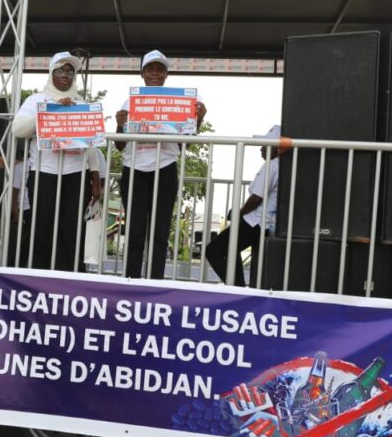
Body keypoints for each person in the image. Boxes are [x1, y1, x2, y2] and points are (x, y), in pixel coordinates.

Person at [115, 50, 207, 279]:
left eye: (160, 69)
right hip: (134, 169)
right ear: (142, 74)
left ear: (166, 74)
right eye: (150, 69)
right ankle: (130, 280)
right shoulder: (130, 100)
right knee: (134, 230)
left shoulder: (178, 102)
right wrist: (119, 125)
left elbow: (185, 141)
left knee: (160, 231)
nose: (155, 73)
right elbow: (118, 146)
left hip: (164, 168)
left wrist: (198, 119)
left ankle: (154, 281)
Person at [12, 51, 102, 271]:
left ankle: (71, 278)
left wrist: (95, 176)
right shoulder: (36, 100)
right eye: (61, 70)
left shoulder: (81, 103)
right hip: (45, 173)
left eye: (71, 71)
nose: (66, 75)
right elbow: (18, 129)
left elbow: (90, 144)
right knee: (41, 227)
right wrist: (50, 113)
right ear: (51, 72)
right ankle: (38, 276)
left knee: (71, 230)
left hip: (76, 174)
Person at [206, 125, 282, 287]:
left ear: (278, 148)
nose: (261, 149)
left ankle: (236, 286)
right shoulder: (281, 165)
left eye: (266, 145)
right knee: (231, 249)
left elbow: (256, 198)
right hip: (266, 223)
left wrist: (238, 213)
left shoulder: (272, 165)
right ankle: (237, 285)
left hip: (255, 222)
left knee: (213, 250)